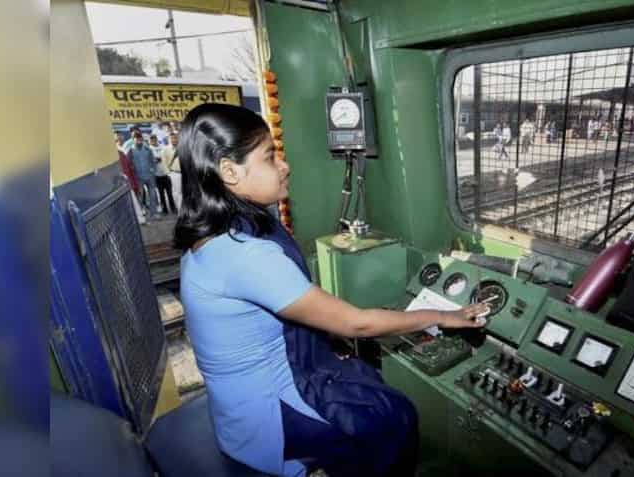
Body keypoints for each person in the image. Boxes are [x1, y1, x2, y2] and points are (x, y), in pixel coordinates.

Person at [174, 103, 487, 477]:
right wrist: (445, 316)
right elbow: (357, 324)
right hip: (266, 419)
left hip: (239, 405)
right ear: (229, 171)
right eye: (269, 157)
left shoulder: (217, 234)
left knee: (365, 378)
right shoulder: (245, 254)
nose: (284, 165)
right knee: (394, 418)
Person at [126, 131, 159, 216]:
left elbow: (153, 161)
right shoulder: (130, 151)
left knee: (152, 195)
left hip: (150, 176)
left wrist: (153, 171)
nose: (139, 141)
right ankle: (141, 213)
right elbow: (128, 164)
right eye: (137, 139)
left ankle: (154, 212)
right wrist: (133, 176)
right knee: (140, 196)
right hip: (138, 178)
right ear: (133, 140)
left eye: (140, 139)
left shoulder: (148, 149)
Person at [152, 135, 177, 214]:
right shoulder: (149, 149)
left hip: (166, 174)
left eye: (154, 140)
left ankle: (173, 207)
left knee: (170, 193)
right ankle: (165, 209)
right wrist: (154, 161)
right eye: (151, 140)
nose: (153, 141)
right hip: (157, 175)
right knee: (161, 194)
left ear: (156, 140)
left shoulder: (163, 147)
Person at [161, 132, 182, 211]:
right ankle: (180, 210)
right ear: (169, 139)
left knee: (185, 193)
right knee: (177, 193)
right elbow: (164, 163)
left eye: (175, 138)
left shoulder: (183, 148)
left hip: (185, 173)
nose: (174, 140)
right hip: (174, 174)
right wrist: (168, 174)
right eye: (172, 138)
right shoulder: (165, 150)